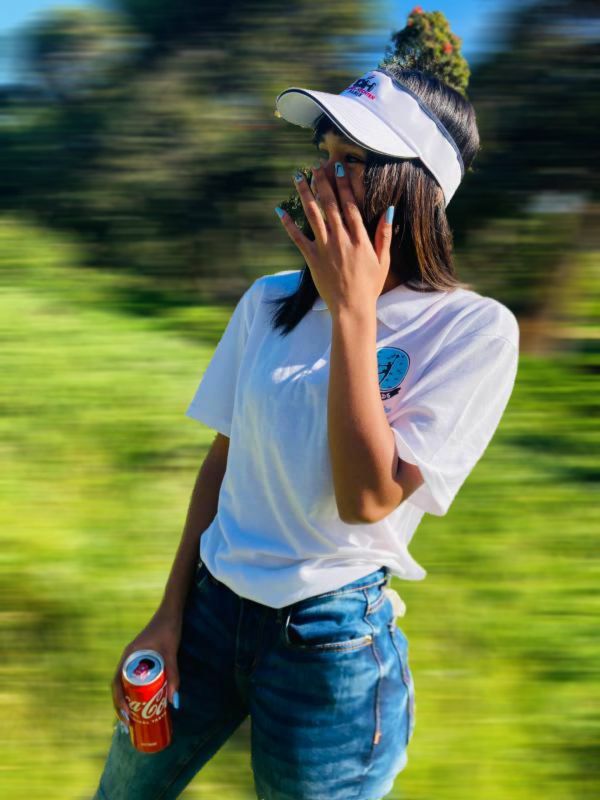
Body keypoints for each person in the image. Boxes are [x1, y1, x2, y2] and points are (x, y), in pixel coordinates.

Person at [92, 64, 519, 800]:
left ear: (413, 188)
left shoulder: (472, 330)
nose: (320, 179)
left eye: (351, 161)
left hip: (329, 647)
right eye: (324, 156)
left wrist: (354, 312)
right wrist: (168, 615)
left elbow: (366, 499)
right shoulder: (268, 302)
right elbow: (224, 462)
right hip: (209, 612)